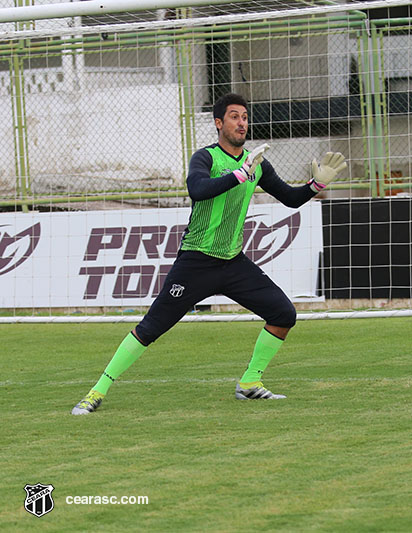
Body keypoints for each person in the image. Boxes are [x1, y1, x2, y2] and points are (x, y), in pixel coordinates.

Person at [72, 93, 347, 415]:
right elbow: (198, 190)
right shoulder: (206, 158)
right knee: (151, 328)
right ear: (219, 123)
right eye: (234, 117)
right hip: (196, 262)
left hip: (232, 262)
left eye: (245, 117)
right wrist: (239, 174)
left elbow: (290, 198)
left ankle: (249, 382)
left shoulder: (257, 163)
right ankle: (96, 391)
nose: (242, 123)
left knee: (283, 314)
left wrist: (315, 185)